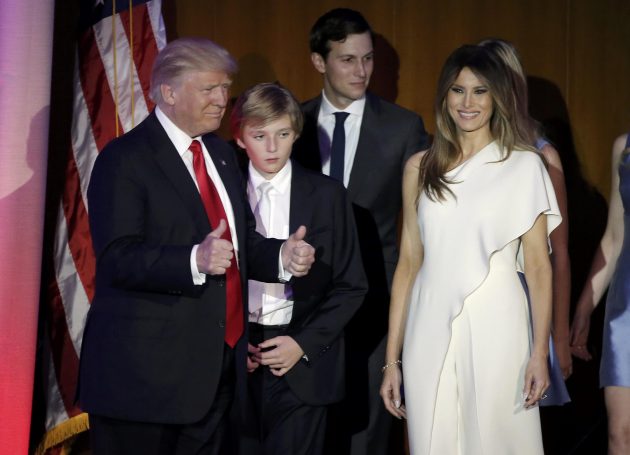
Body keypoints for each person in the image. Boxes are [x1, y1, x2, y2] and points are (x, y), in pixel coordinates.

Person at [77, 38, 315, 455]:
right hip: (144, 386)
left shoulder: (220, 155)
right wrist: (194, 259)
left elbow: (237, 244)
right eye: (209, 89)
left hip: (215, 379)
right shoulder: (125, 158)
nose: (223, 100)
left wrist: (281, 256)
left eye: (225, 87)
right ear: (169, 92)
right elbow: (117, 258)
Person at [380, 44, 561, 454]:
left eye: (480, 91)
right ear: (445, 95)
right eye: (458, 90)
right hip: (428, 321)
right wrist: (392, 361)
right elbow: (408, 265)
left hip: (499, 321)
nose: (468, 103)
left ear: (497, 97)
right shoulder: (420, 168)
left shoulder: (524, 165)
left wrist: (540, 353)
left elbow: (538, 266)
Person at [292, 8, 430, 454]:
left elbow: (427, 221)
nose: (361, 71)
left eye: (368, 59)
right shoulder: (291, 125)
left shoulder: (404, 128)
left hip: (377, 302)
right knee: (309, 431)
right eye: (348, 59)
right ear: (319, 61)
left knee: (368, 432)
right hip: (304, 303)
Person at [230, 82, 367, 455]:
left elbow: (351, 285)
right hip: (237, 364)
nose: (272, 147)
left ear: (296, 134)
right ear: (240, 138)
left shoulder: (327, 196)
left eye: (283, 134)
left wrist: (302, 344)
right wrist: (233, 344)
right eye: (259, 136)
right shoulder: (224, 194)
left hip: (302, 365)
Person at [480, 38, 573, 398]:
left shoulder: (542, 156)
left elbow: (558, 253)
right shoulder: (455, 155)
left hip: (523, 300)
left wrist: (558, 338)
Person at [571, 132, 630, 454]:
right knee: (620, 433)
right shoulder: (624, 147)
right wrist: (584, 309)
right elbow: (614, 236)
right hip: (626, 308)